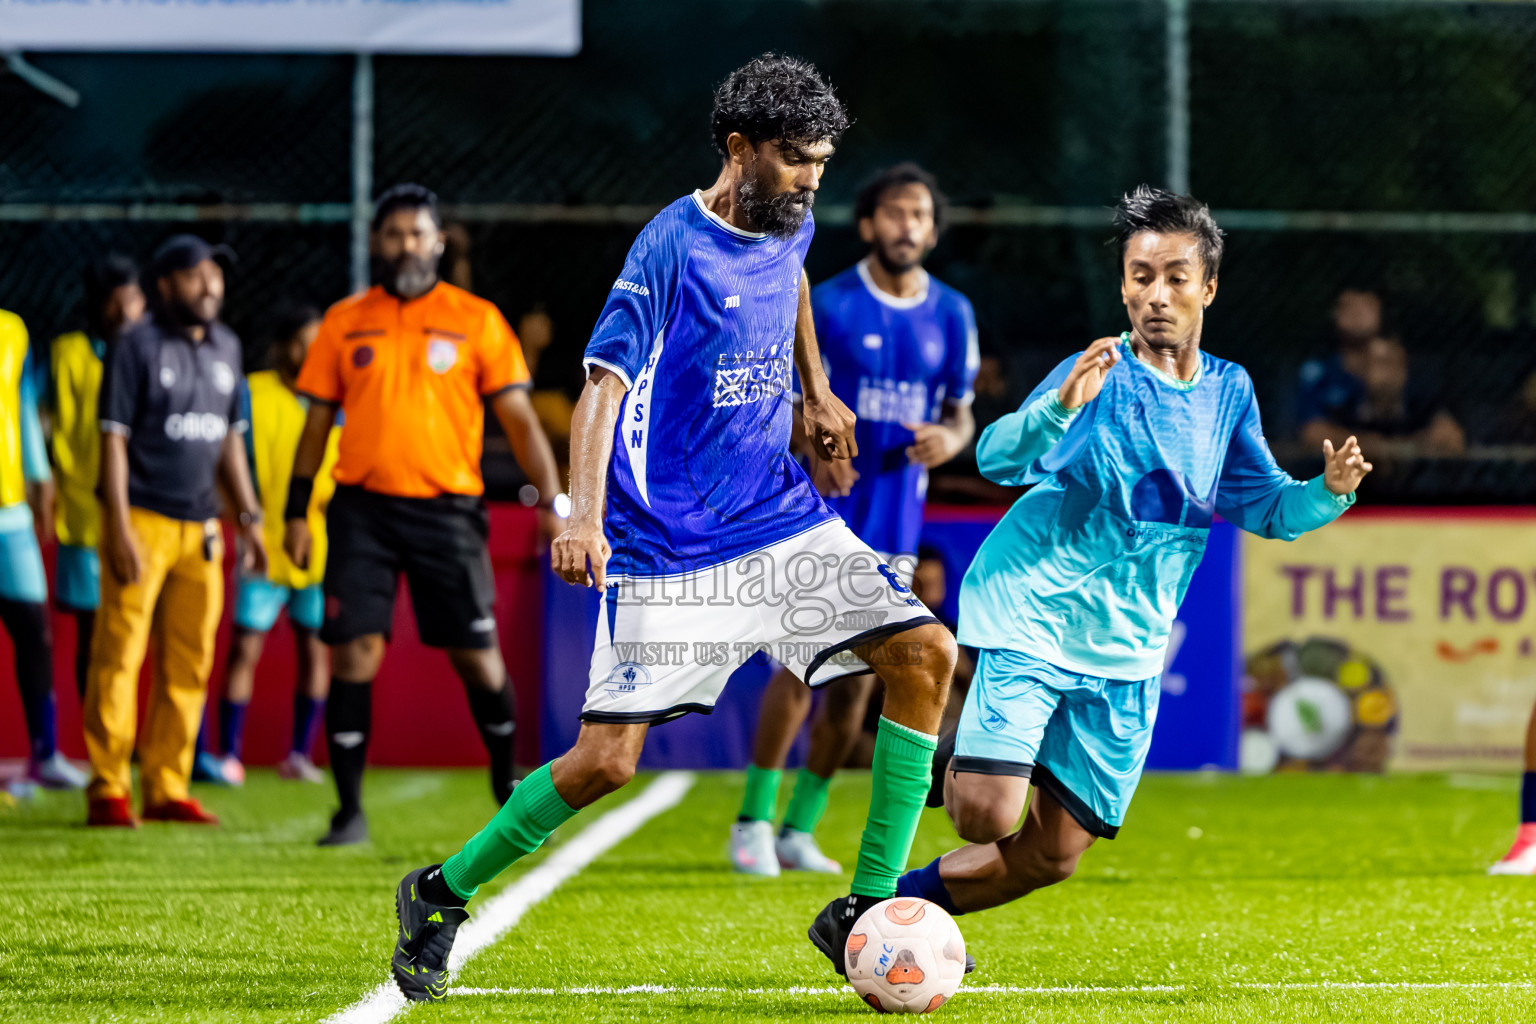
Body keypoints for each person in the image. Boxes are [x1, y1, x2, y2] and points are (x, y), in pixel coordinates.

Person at [383, 54, 961, 1004]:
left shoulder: (792, 216)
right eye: (795, 160)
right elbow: (600, 389)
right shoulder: (670, 247)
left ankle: (862, 909)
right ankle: (440, 893)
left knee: (925, 656)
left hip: (779, 518)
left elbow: (797, 278)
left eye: (822, 162)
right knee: (604, 762)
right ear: (739, 150)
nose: (814, 180)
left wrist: (815, 391)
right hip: (673, 547)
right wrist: (582, 518)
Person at [891, 186, 1371, 931]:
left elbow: (1269, 508)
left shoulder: (1229, 391)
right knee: (985, 817)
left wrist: (1328, 492)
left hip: (1129, 647)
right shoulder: (1099, 372)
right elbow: (995, 457)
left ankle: (888, 911)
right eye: (1141, 276)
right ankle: (968, 757)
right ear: (1123, 286)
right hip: (1037, 614)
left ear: (1208, 286)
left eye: (1176, 276)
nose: (1157, 294)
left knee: (1052, 856)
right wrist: (1058, 408)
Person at [284, 183, 564, 847]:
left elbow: (520, 423)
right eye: (393, 234)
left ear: (438, 241)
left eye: (417, 233)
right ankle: (348, 811)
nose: (405, 244)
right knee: (354, 653)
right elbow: (316, 425)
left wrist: (556, 504)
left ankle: (505, 787)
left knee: (478, 659)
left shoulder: (478, 320)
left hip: (448, 512)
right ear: (376, 243)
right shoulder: (344, 320)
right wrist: (296, 512)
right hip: (361, 512)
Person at [730, 162, 977, 878]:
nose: (909, 226)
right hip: (824, 513)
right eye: (896, 212)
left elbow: (959, 410)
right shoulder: (829, 303)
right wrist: (812, 445)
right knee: (800, 670)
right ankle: (751, 821)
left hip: (897, 521)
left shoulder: (952, 314)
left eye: (921, 215)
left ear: (933, 230)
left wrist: (952, 439)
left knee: (860, 688)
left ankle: (798, 830)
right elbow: (778, 393)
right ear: (869, 224)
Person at [84, 234, 267, 827]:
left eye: (215, 274)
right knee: (120, 655)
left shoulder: (228, 347)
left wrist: (251, 519)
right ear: (164, 285)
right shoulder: (134, 345)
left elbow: (231, 441)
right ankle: (109, 786)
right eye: (195, 275)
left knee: (190, 661)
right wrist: (116, 526)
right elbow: (112, 438)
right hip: (141, 519)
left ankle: (166, 784)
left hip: (203, 527)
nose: (210, 284)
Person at [193, 305, 338, 786]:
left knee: (315, 650)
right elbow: (223, 455)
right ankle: (228, 755)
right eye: (304, 341)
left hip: (318, 547)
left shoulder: (335, 400)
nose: (313, 351)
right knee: (244, 648)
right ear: (282, 346)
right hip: (265, 544)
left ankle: (299, 754)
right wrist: (242, 514)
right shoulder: (250, 392)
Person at [47, 254, 146, 701]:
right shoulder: (67, 353)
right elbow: (47, 427)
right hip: (85, 516)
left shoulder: (153, 351)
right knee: (94, 630)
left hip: (147, 512)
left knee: (149, 630)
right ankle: (99, 741)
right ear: (96, 304)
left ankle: (155, 741)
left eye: (133, 299)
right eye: (114, 301)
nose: (125, 311)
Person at [0, 306, 86, 790]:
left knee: (35, 631)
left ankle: (45, 753)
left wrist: (39, 476)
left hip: (9, 511)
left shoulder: (12, 330)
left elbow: (25, 407)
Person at [1310, 334, 1464, 458]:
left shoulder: (1423, 405)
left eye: (1394, 363)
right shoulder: (1344, 406)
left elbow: (1452, 437)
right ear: (1362, 371)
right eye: (1379, 364)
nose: (1388, 374)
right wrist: (1371, 447)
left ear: (1404, 370)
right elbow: (1315, 435)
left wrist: (1392, 450)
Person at [1295, 286, 1381, 445]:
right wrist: (1370, 446)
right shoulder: (1318, 370)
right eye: (1348, 306)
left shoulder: (1406, 368)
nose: (1357, 314)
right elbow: (1311, 432)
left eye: (1366, 305)